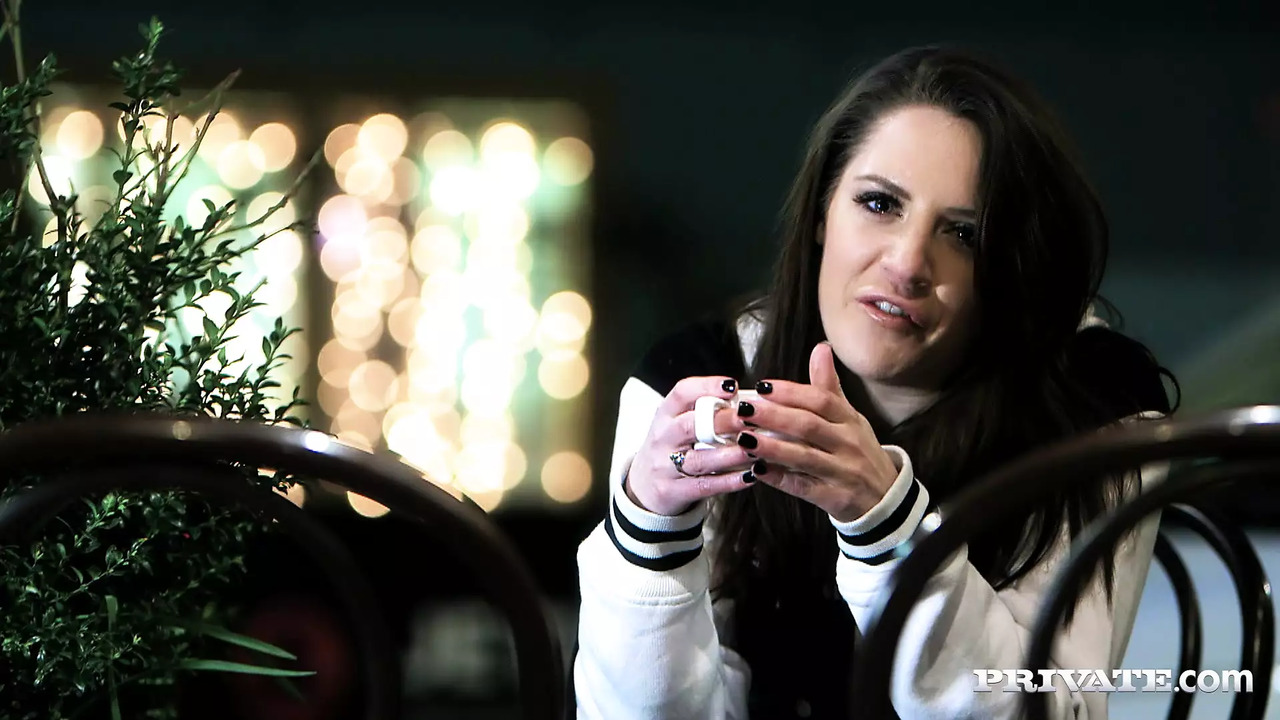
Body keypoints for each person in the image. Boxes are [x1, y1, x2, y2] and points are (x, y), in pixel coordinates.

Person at [572, 45, 1177, 719]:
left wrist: (886, 522)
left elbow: (1056, 709)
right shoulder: (699, 379)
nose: (909, 263)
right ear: (821, 213)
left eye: (965, 234)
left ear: (1009, 265)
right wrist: (648, 531)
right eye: (879, 203)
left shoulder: (1096, 407)